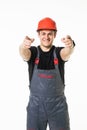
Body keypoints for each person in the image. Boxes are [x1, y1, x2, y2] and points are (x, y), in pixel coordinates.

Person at [19, 17, 75, 130]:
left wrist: (70, 45)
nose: (46, 37)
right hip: (36, 107)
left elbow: (67, 53)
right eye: (43, 33)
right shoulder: (33, 53)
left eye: (50, 34)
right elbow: (24, 54)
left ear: (55, 35)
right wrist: (23, 46)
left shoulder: (59, 53)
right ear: (38, 35)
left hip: (58, 107)